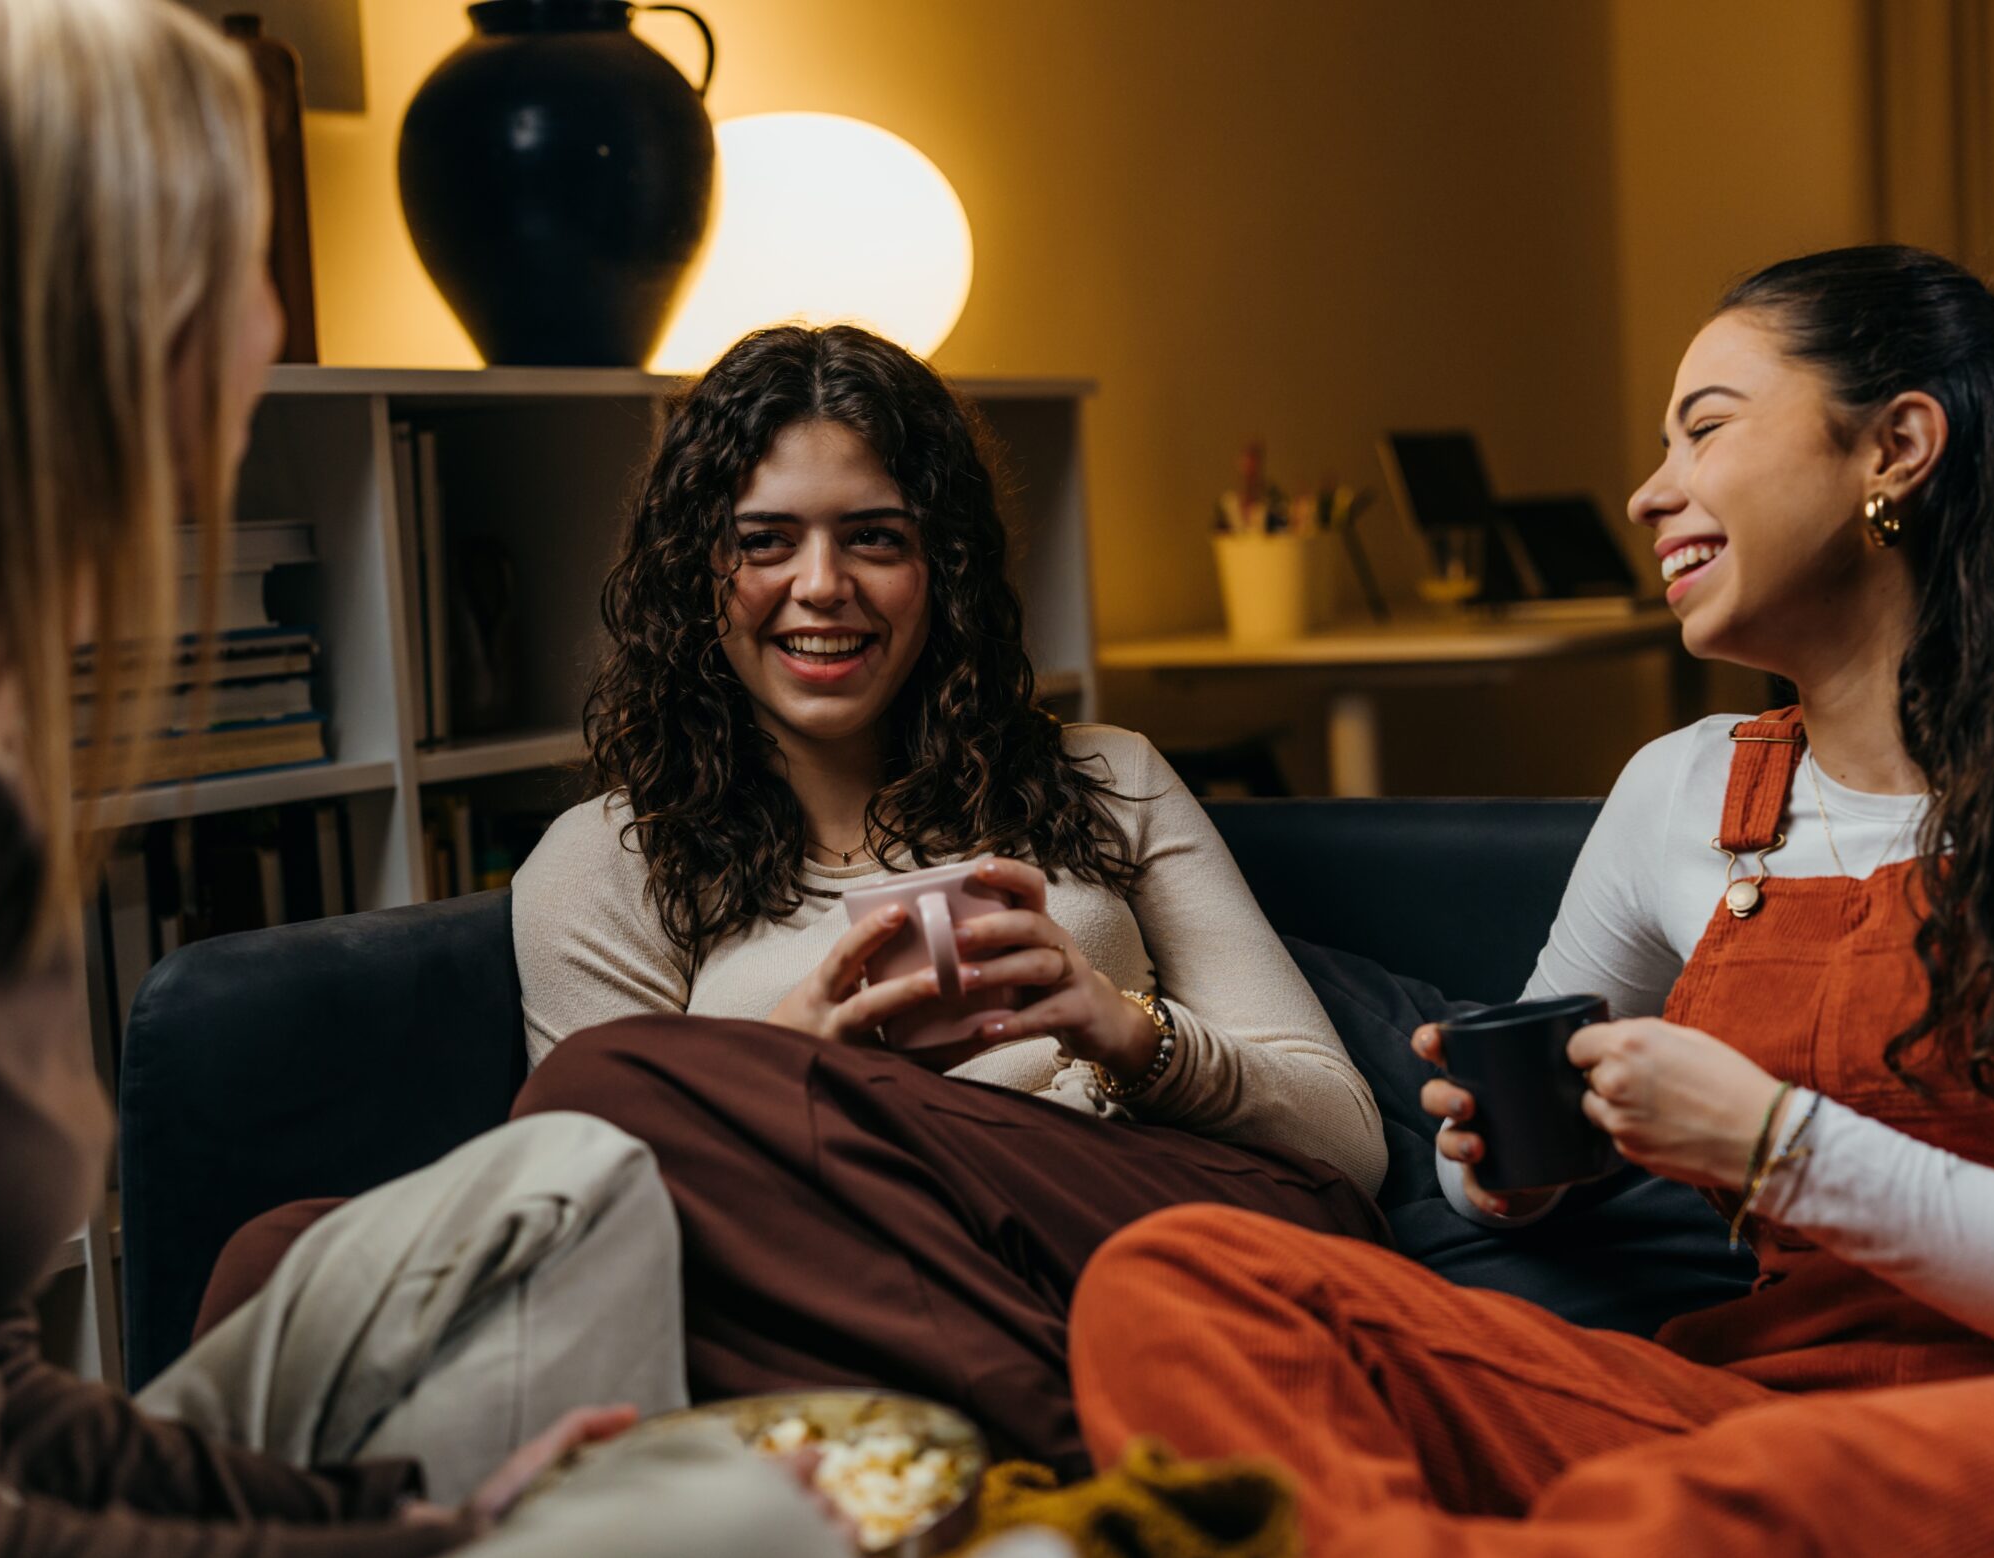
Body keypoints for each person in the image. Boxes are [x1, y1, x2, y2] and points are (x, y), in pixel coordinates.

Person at [0, 6, 1073, 1558]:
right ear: (94, 315)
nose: (262, 319)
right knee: (736, 1546)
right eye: (236, 258)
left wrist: (390, 1520)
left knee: (579, 1172)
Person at [1066, 245, 1994, 1558]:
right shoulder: (1681, 792)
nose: (1649, 488)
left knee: (1745, 1514)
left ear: (1896, 446)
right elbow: (1518, 1131)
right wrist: (1525, 1165)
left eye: (1705, 425)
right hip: (1753, 1410)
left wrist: (1778, 1149)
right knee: (1183, 1279)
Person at [509, 324, 1389, 1476]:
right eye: (763, 543)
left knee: (606, 1089)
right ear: (697, 573)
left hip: (1152, 1221)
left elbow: (1348, 1149)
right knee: (331, 1232)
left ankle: (1037, 1454)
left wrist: (1119, 1027)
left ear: (945, 565)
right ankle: (1082, 1443)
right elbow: (596, 1241)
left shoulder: (1105, 776)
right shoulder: (602, 861)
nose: (820, 589)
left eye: (875, 539)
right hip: (859, 1290)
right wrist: (786, 1079)